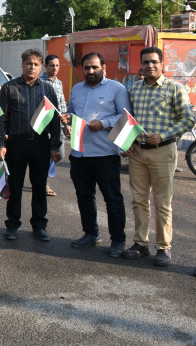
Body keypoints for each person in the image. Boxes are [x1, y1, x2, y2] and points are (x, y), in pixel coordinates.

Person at [123, 47, 195, 266]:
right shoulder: (134, 90)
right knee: (138, 200)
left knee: (163, 202)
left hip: (163, 151)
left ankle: (163, 247)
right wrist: (125, 144)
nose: (150, 66)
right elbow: (127, 119)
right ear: (141, 66)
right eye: (145, 62)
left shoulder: (175, 88)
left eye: (154, 62)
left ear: (162, 64)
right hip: (137, 152)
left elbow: (188, 120)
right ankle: (140, 244)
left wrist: (162, 135)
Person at [60, 53, 130, 257]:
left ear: (104, 68)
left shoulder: (116, 88)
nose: (90, 71)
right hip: (79, 153)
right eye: (87, 68)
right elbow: (72, 113)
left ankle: (118, 240)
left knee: (113, 199)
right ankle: (91, 234)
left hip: (105, 154)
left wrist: (104, 123)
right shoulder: (76, 89)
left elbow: (125, 116)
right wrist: (67, 119)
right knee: (84, 196)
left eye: (94, 67)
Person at [0, 49, 61, 241]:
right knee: (14, 186)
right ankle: (12, 225)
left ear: (42, 67)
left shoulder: (48, 89)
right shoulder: (9, 88)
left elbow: (55, 120)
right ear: (22, 64)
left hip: (41, 144)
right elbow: (0, 118)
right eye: (28, 63)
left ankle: (39, 225)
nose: (32, 67)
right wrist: (0, 143)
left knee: (39, 186)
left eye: (36, 64)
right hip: (16, 144)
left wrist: (55, 146)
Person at [40, 54, 68, 196]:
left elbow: (62, 104)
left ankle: (40, 175)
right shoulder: (40, 83)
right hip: (45, 126)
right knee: (47, 155)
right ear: (45, 66)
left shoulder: (59, 83)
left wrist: (66, 124)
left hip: (59, 126)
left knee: (60, 154)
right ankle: (44, 184)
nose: (55, 68)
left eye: (57, 65)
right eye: (52, 65)